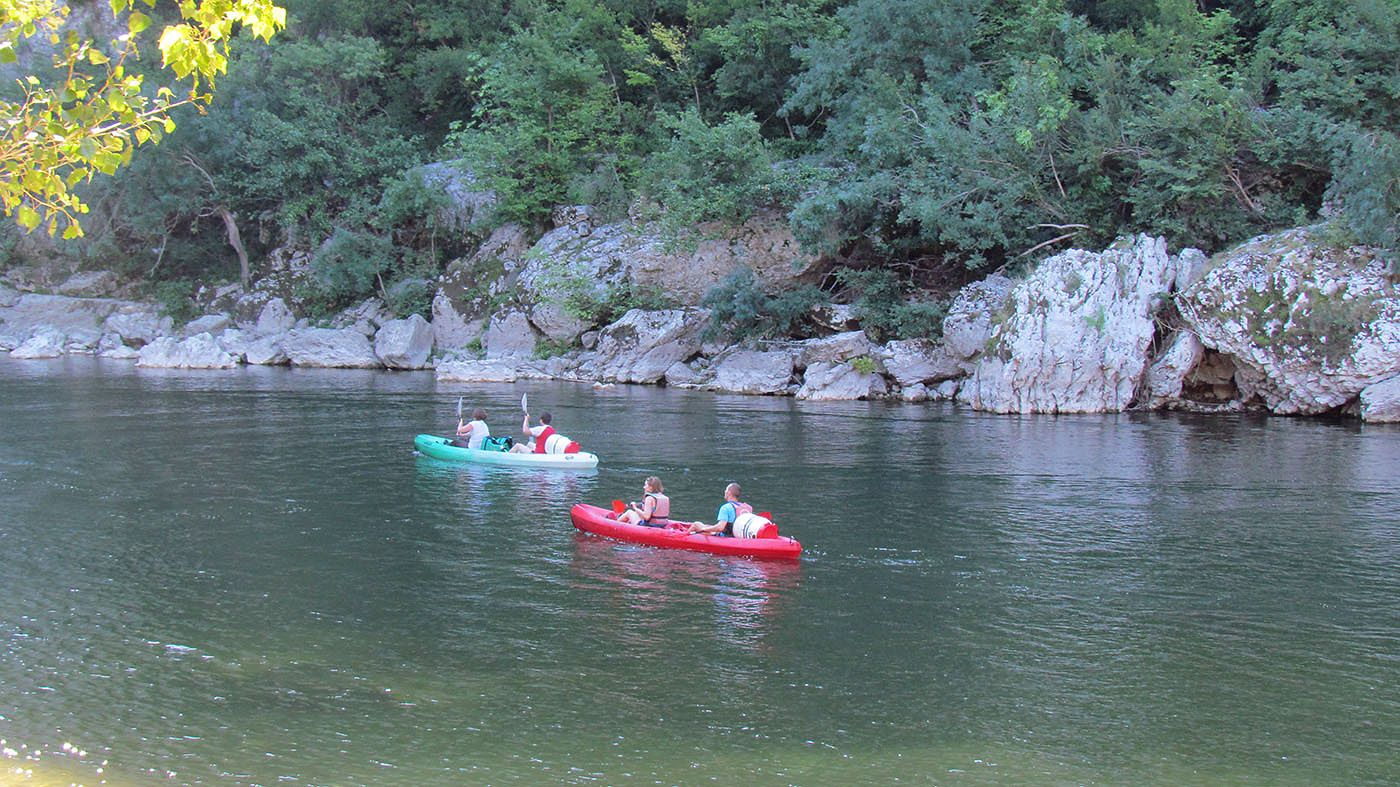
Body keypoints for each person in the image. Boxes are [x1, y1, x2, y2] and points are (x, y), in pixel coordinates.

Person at [509, 411, 580, 454]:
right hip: (546, 451)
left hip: (538, 454)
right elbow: (528, 430)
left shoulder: (540, 429)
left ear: (541, 420)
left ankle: (508, 456)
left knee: (518, 445)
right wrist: (527, 421)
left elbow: (525, 431)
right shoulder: (552, 429)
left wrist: (526, 419)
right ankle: (522, 456)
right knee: (530, 444)